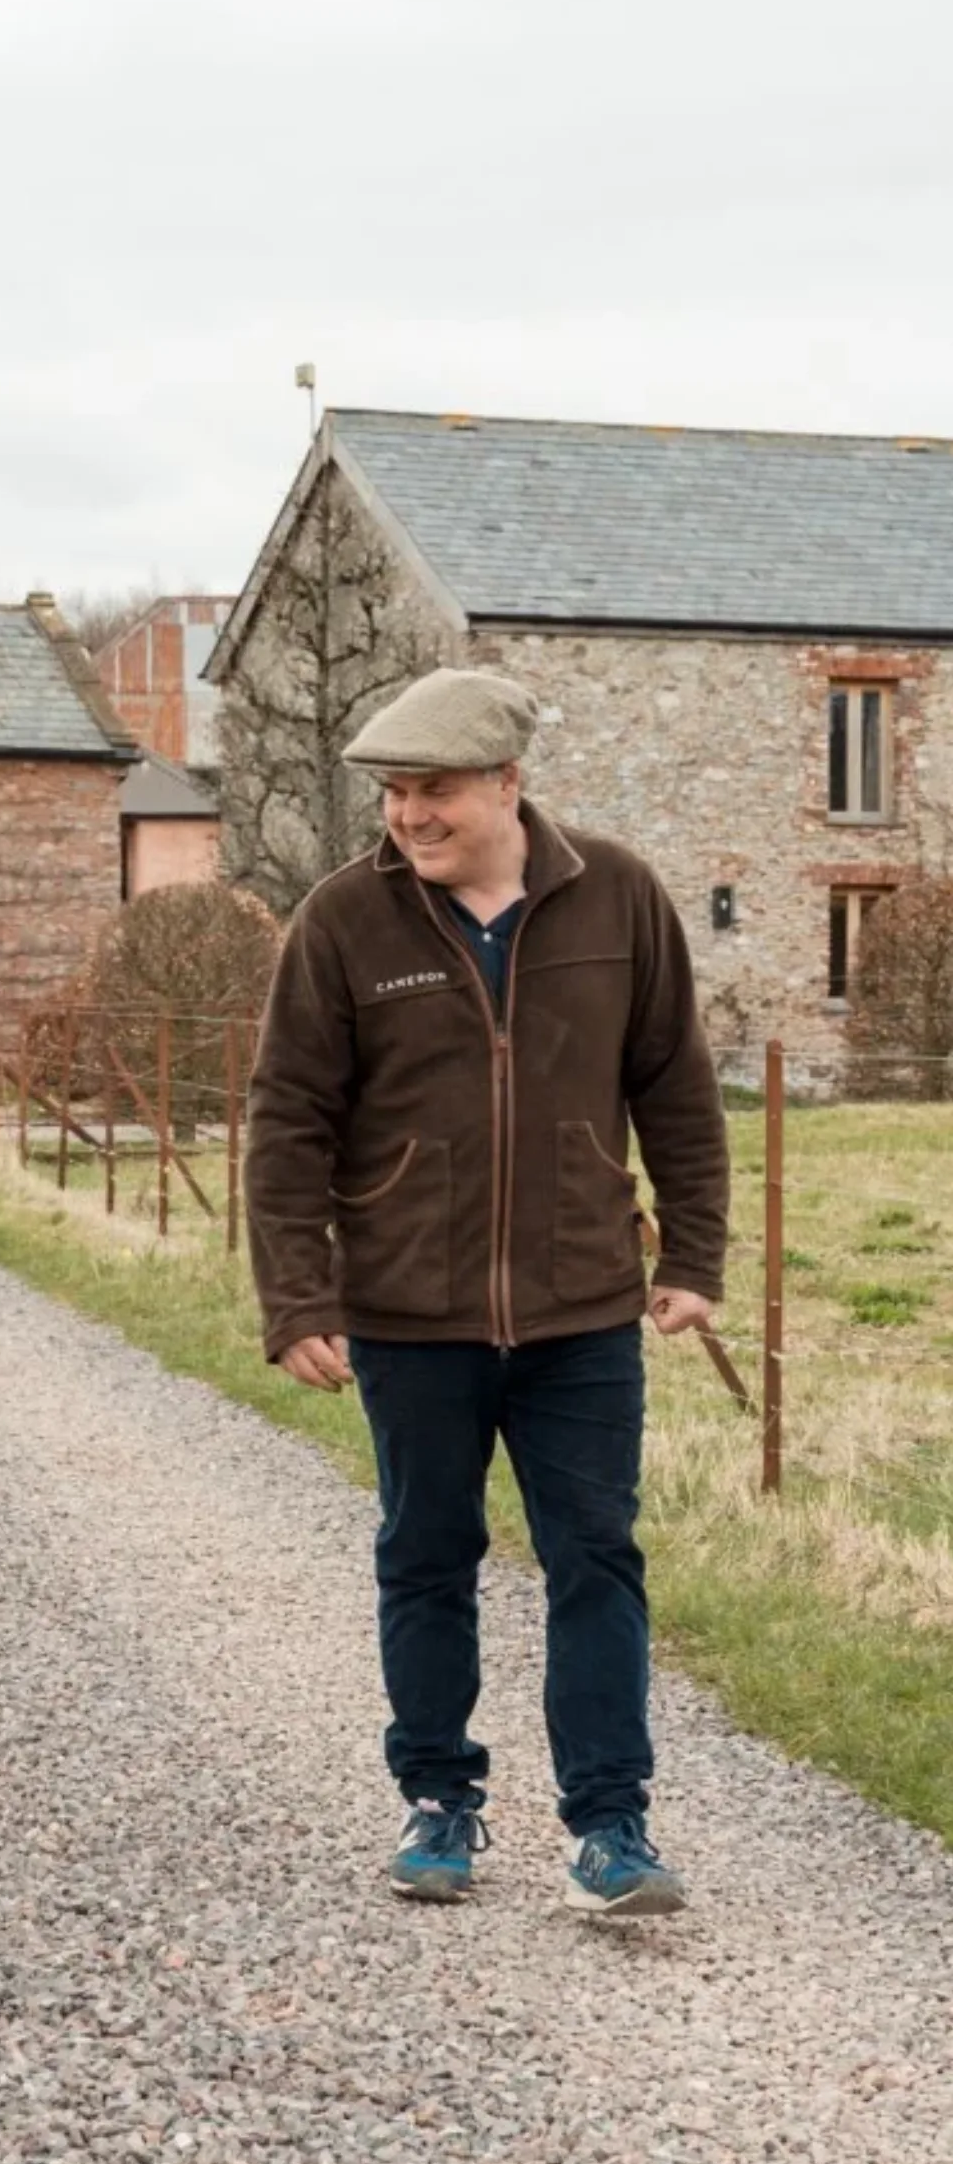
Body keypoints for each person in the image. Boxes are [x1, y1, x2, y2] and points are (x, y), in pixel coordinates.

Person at [245, 666, 728, 1917]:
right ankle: (438, 1801)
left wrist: (692, 1259)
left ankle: (612, 1825)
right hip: (410, 1315)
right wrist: (297, 1295)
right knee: (425, 1556)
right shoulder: (344, 919)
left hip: (580, 1312)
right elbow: (287, 1117)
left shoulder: (616, 896)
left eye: (435, 791)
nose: (408, 816)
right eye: (396, 793)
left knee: (596, 1559)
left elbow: (674, 1086)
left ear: (506, 784)